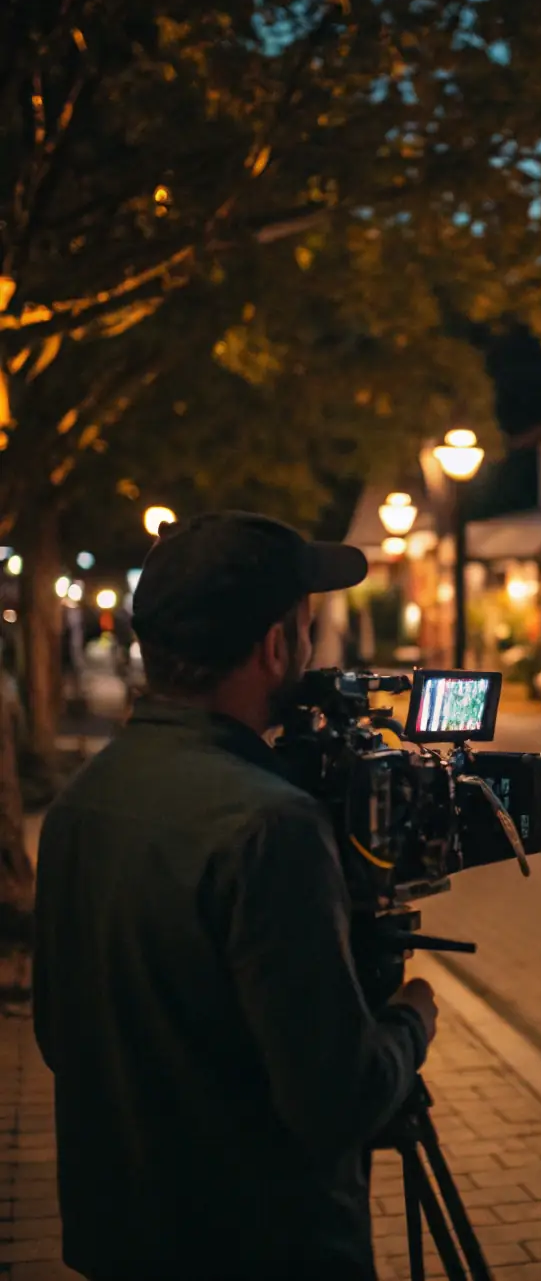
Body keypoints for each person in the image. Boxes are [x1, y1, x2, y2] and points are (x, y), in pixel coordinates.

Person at [32, 511, 439, 1281]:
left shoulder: (78, 803)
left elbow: (59, 1036)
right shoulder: (271, 825)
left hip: (120, 1237)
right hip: (264, 1247)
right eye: (306, 627)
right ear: (275, 647)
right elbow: (338, 1099)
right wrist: (411, 1018)